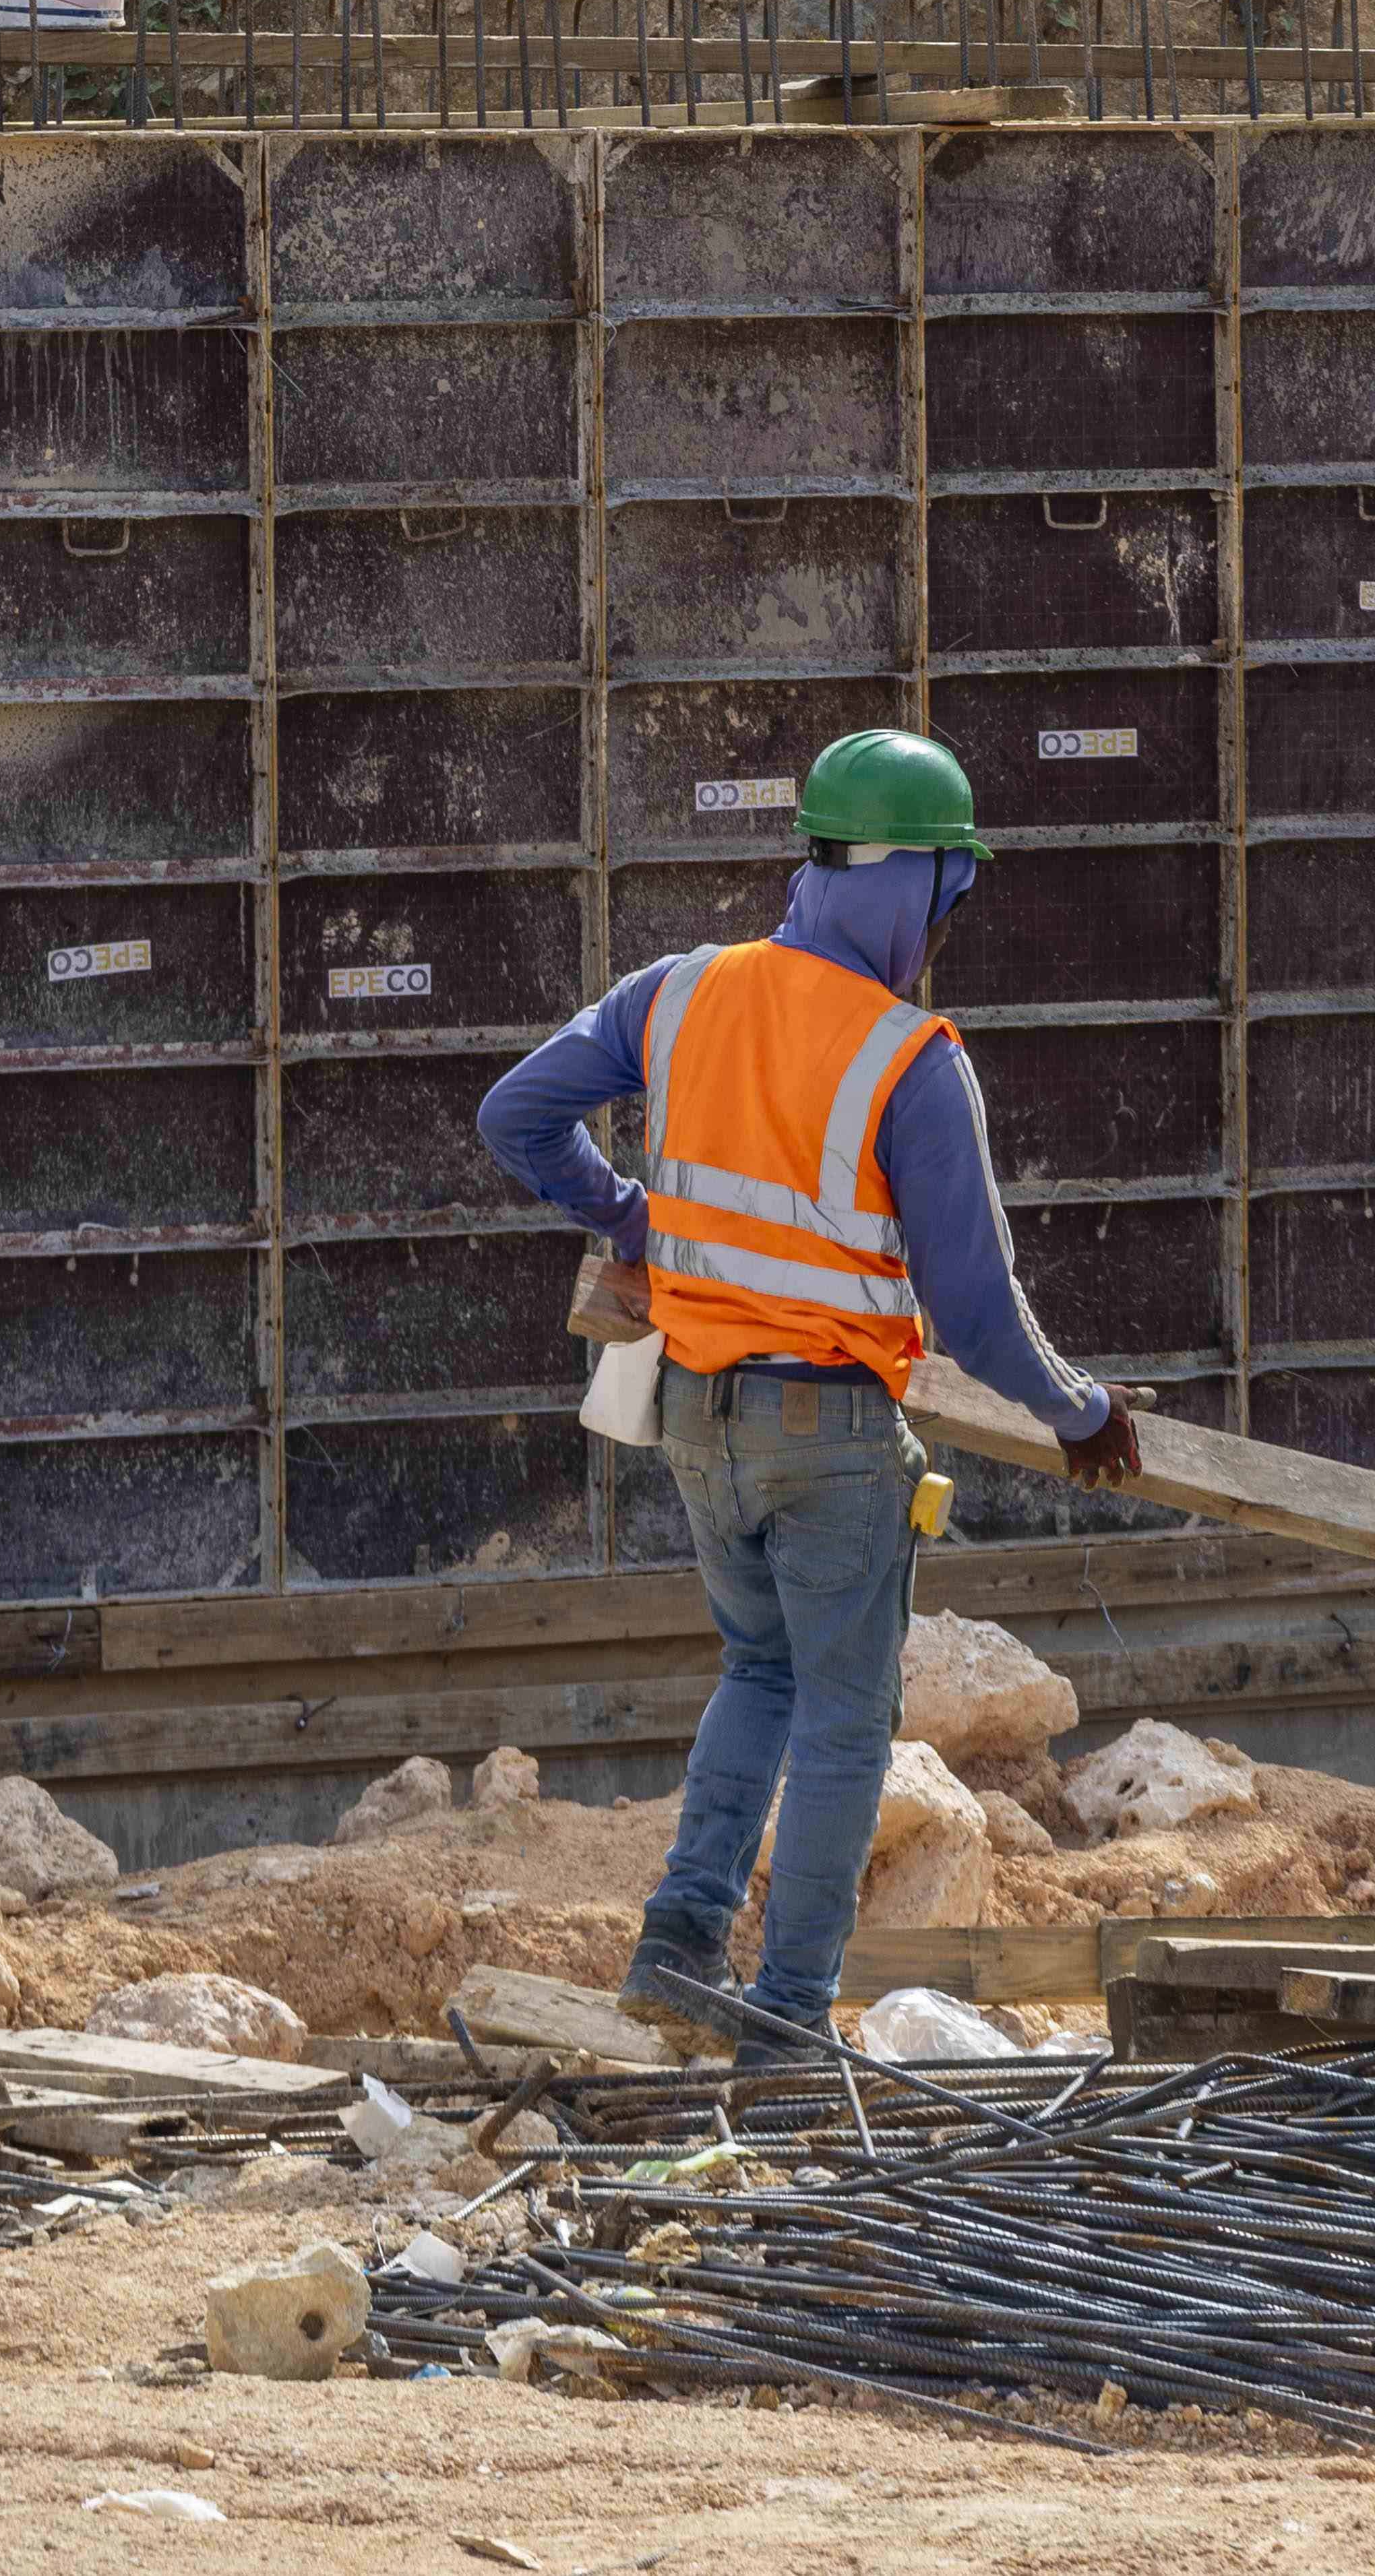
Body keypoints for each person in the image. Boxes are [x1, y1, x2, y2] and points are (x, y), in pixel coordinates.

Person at [477, 728, 1137, 2060]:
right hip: (829, 1432)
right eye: (947, 893)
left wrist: (627, 1217)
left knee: (759, 1670)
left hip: (694, 1417)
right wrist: (1080, 1411)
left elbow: (516, 1112)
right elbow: (973, 1313)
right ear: (907, 878)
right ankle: (783, 2013)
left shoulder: (677, 990)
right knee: (844, 1711)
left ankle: (677, 1937)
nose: (943, 925)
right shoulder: (911, 1060)